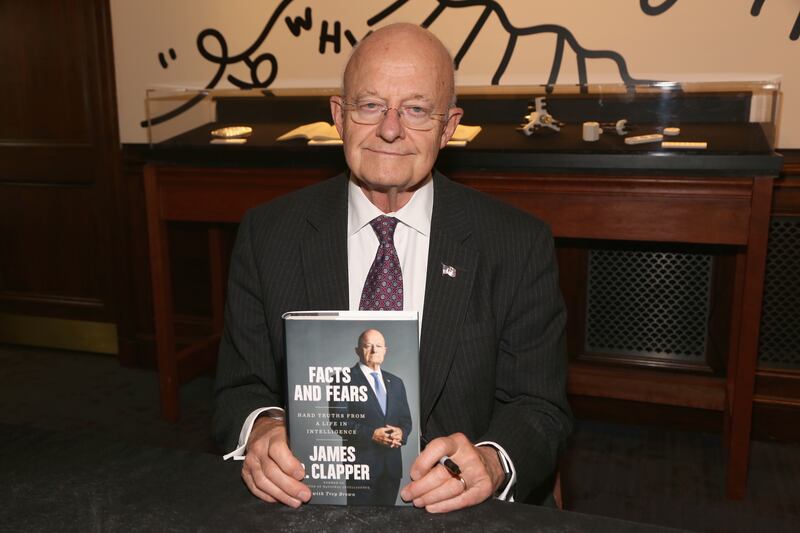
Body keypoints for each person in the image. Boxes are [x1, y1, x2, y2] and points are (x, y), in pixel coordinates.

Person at [213, 22, 572, 513]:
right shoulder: (267, 234)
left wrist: (491, 461)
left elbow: (540, 407)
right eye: (369, 105)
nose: (389, 128)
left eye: (417, 110)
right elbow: (239, 388)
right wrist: (264, 428)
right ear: (339, 115)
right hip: (310, 506)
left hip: (460, 514)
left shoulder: (516, 244)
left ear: (448, 128)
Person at [329, 329, 412, 505]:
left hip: (391, 468)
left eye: (379, 346)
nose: (374, 350)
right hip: (361, 467)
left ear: (385, 350)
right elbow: (338, 421)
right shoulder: (343, 379)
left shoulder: (396, 382)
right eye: (368, 346)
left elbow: (406, 421)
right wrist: (372, 434)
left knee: (388, 523)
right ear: (357, 350)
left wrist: (401, 433)